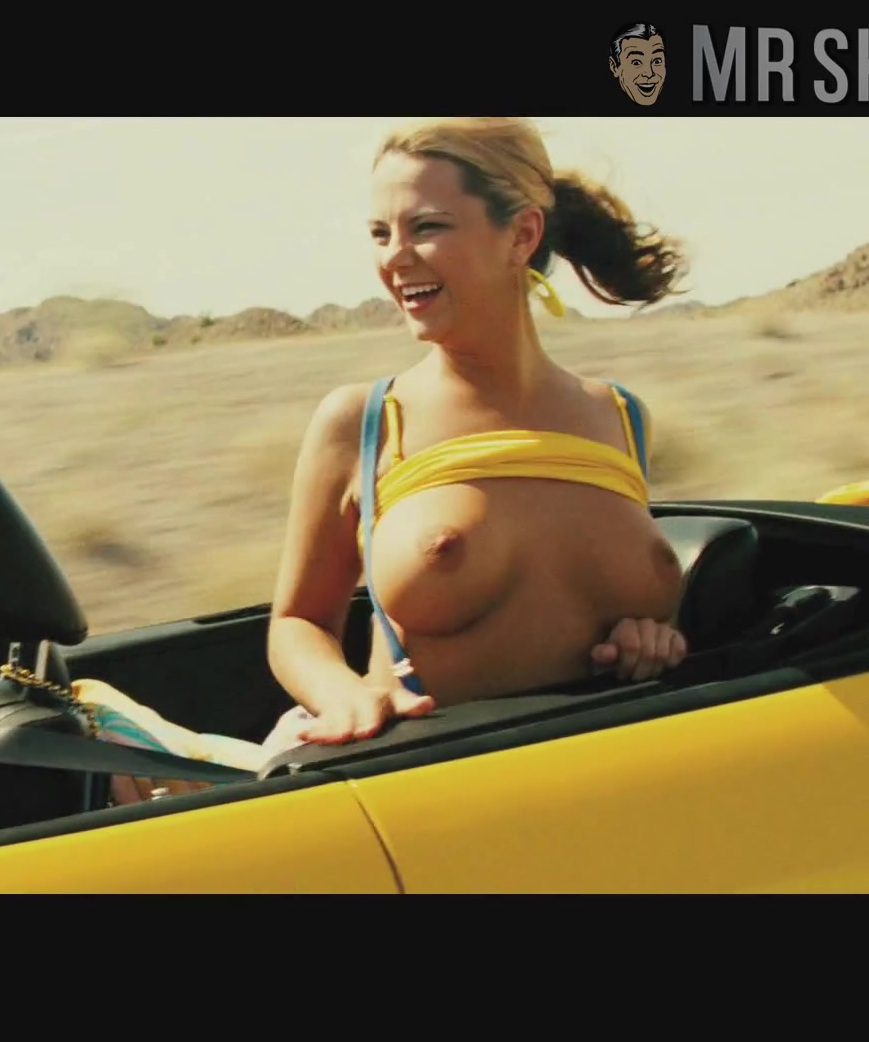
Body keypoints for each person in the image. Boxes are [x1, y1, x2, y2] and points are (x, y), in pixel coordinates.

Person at [265, 115, 692, 748]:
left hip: (615, 765)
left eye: (426, 227)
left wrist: (650, 641)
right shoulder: (364, 422)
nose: (394, 257)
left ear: (521, 235)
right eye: (380, 233)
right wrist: (344, 694)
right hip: (435, 781)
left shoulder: (621, 416)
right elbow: (297, 623)